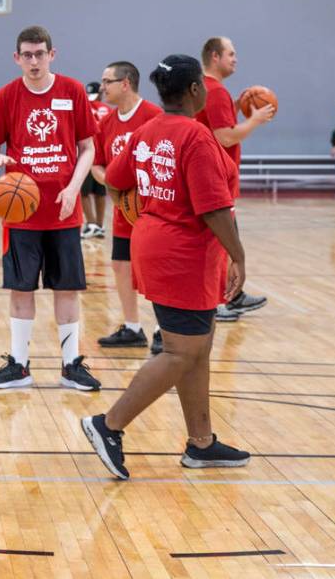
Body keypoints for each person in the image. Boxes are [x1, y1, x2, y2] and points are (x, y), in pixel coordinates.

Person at [81, 54, 249, 480]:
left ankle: (202, 443)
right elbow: (214, 209)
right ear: (196, 90)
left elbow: (115, 180)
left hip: (158, 244)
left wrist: (143, 215)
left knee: (198, 349)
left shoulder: (146, 130)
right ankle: (109, 424)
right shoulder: (196, 137)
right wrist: (239, 256)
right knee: (180, 352)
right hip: (184, 254)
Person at [0, 25, 100, 391]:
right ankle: (19, 366)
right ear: (17, 58)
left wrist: (72, 189)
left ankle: (71, 366)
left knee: (66, 289)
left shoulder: (72, 91)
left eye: (40, 54)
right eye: (27, 55)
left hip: (64, 209)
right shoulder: (6, 96)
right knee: (22, 289)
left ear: (52, 54)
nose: (34, 61)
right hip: (21, 211)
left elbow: (88, 148)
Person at [90, 61, 164, 354]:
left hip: (153, 211)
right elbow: (96, 163)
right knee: (121, 266)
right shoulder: (106, 123)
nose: (102, 86)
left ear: (125, 83)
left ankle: (163, 329)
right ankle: (132, 328)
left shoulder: (153, 117)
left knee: (156, 269)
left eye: (107, 81)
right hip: (124, 210)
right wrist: (109, 179)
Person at [196, 37, 272, 320]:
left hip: (210, 176)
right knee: (221, 243)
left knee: (226, 241)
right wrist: (255, 119)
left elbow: (214, 123)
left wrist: (238, 105)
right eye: (231, 53)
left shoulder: (207, 89)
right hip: (216, 178)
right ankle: (218, 302)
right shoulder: (215, 91)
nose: (235, 58)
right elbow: (224, 136)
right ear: (215, 57)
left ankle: (233, 296)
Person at [80, 81, 110, 238]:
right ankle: (99, 225)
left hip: (89, 156)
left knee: (83, 193)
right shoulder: (108, 110)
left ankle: (92, 225)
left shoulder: (85, 108)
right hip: (103, 157)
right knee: (100, 192)